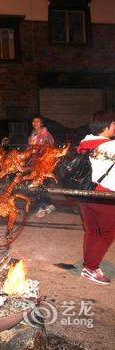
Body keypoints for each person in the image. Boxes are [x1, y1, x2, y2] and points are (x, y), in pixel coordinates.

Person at [77, 110, 115, 285]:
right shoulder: (111, 146)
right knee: (108, 233)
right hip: (105, 195)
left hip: (84, 193)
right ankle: (91, 268)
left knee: (91, 231)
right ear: (106, 126)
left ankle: (89, 264)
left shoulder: (84, 144)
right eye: (113, 124)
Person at [28, 115, 56, 218]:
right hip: (34, 162)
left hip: (43, 164)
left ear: (41, 123)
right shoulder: (33, 133)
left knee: (40, 184)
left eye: (37, 122)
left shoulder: (46, 135)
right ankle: (48, 204)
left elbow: (49, 150)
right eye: (33, 121)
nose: (35, 123)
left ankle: (41, 207)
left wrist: (38, 150)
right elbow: (30, 148)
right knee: (39, 185)